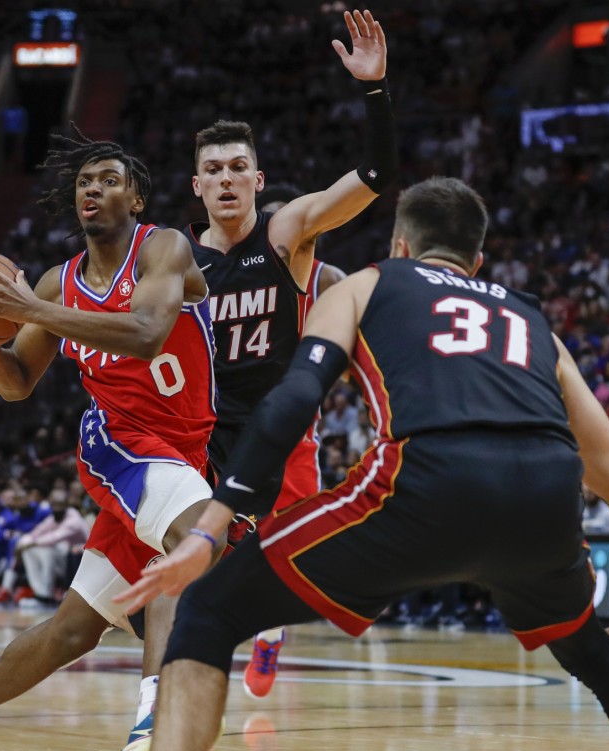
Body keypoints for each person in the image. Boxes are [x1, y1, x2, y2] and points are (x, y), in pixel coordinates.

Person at [117, 176, 609, 751]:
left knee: (208, 607)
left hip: (425, 484)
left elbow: (292, 400)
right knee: (591, 651)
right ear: (478, 261)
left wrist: (209, 527)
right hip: (543, 503)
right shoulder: (533, 322)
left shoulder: (367, 283)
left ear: (401, 247)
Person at [0, 132, 225, 751]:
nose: (92, 188)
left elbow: (147, 332)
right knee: (193, 544)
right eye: (84, 181)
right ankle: (161, 723)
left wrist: (32, 311)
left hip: (183, 452)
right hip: (119, 444)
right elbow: (15, 381)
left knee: (73, 630)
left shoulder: (163, 249)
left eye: (108, 179)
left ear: (136, 198)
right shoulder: (55, 281)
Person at [183, 7, 395, 705]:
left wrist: (373, 90)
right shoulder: (173, 261)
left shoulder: (286, 232)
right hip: (205, 432)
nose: (226, 179)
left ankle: (270, 632)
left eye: (237, 168)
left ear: (257, 177)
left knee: (285, 563)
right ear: (196, 186)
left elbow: (376, 175)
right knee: (195, 568)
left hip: (281, 430)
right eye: (213, 170)